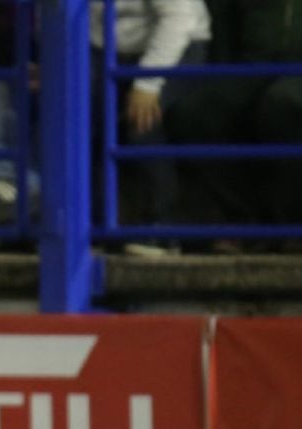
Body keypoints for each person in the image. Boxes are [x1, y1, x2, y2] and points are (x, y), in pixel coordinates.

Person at [167, 0, 302, 249]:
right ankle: (244, 220)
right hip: (255, 63)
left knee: (284, 105)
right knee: (193, 115)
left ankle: (298, 229)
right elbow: (224, 20)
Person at [89, 0, 211, 255]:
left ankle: (163, 230)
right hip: (105, 50)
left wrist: (147, 83)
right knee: (82, 124)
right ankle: (96, 229)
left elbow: (179, 18)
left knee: (142, 122)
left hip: (180, 42)